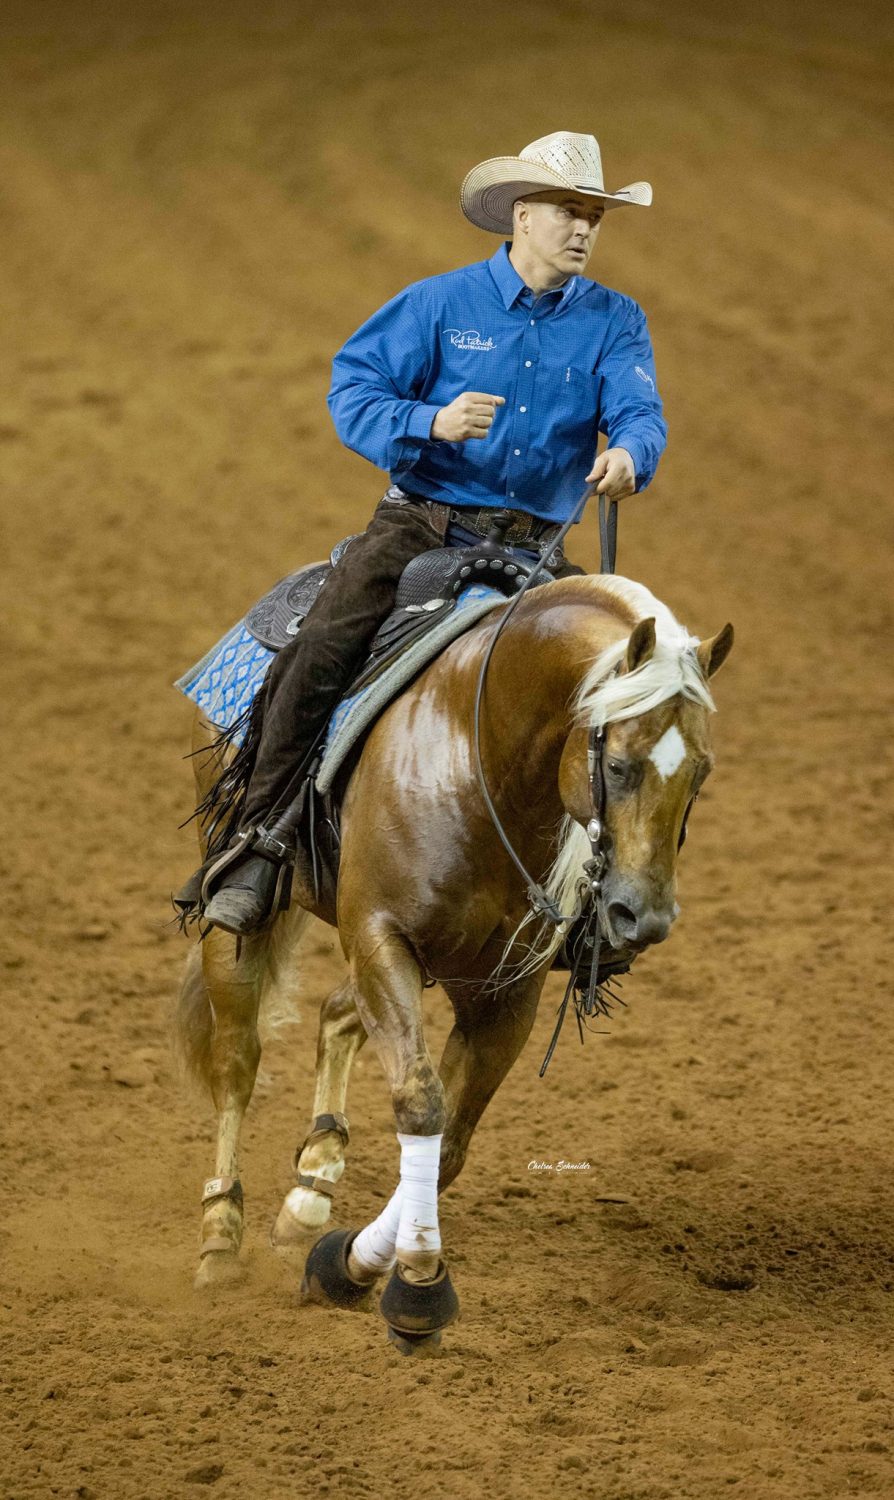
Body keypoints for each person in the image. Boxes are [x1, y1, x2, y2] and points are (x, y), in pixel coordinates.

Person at [196, 129, 667, 935]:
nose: (584, 228)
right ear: (521, 216)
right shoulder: (438, 304)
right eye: (567, 211)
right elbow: (355, 389)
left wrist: (629, 452)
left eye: (595, 215)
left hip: (536, 550)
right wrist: (430, 421)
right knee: (326, 645)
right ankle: (260, 840)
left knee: (613, 700)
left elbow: (639, 411)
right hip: (423, 526)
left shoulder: (616, 322)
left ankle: (591, 898)